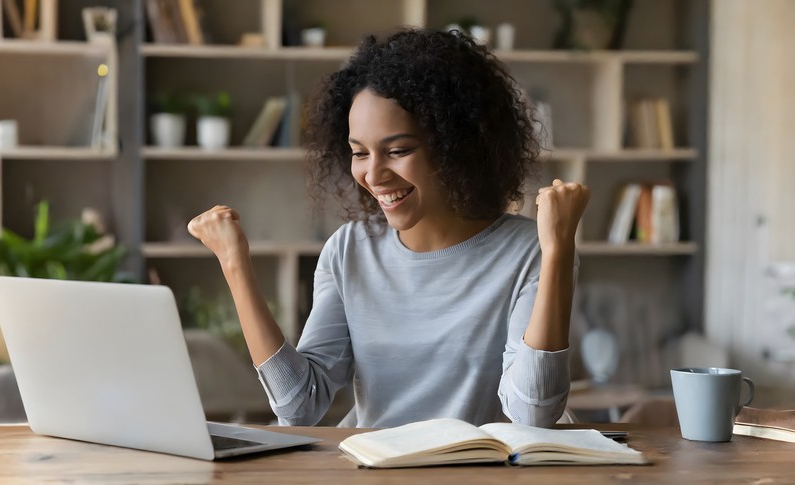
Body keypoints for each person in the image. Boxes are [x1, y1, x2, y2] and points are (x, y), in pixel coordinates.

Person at [187, 28, 589, 428]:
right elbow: (299, 405)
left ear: (456, 147)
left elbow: (533, 413)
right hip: (372, 468)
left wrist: (557, 251)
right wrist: (234, 265)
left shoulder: (529, 251)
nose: (374, 174)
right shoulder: (348, 251)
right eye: (359, 153)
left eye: (398, 151)